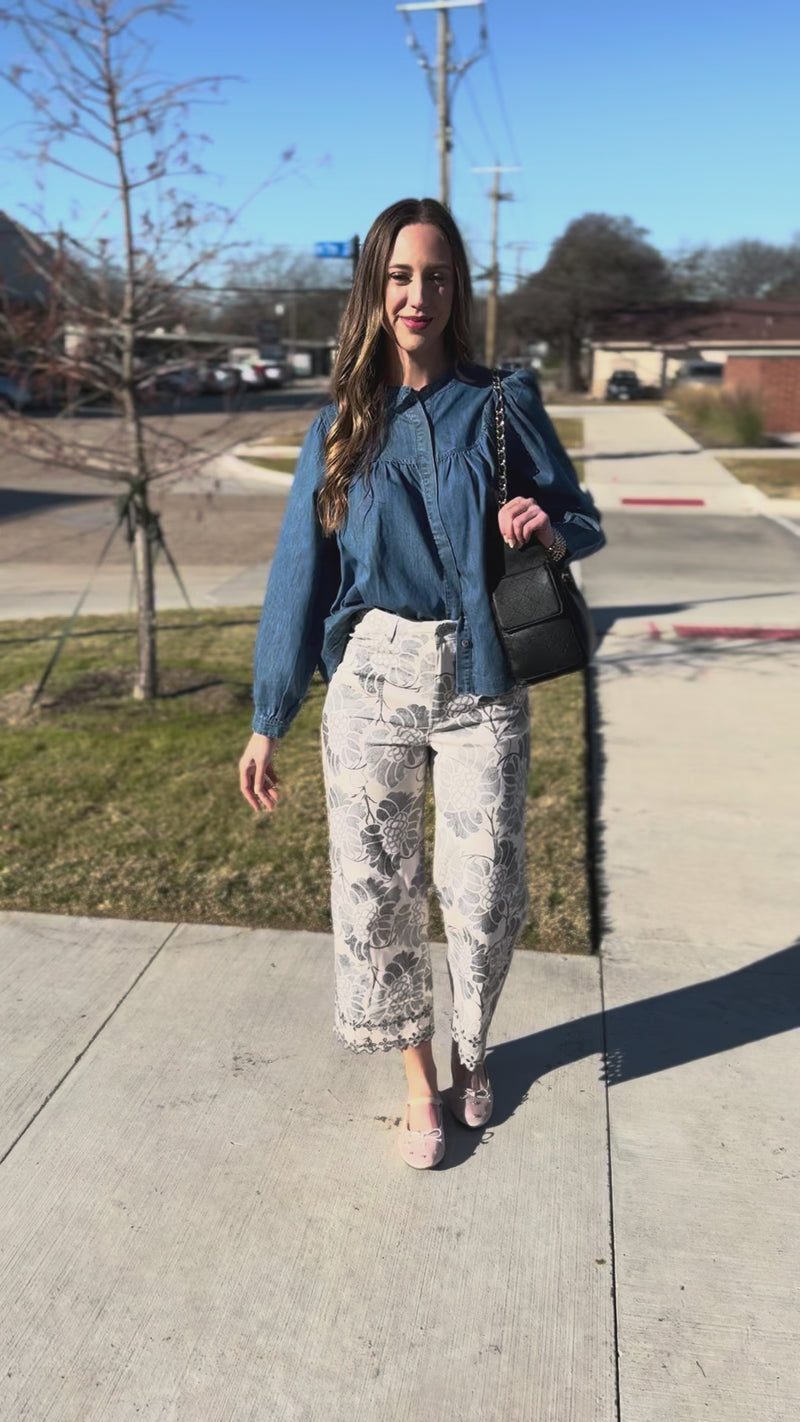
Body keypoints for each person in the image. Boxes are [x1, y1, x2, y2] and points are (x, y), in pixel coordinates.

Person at [239, 197, 604, 1169]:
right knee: (377, 891)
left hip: (480, 673)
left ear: (457, 288)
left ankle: (473, 1050)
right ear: (372, 286)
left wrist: (544, 526)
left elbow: (581, 517)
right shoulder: (338, 426)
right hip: (372, 679)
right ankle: (415, 1081)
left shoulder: (500, 400)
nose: (416, 294)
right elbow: (297, 580)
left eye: (435, 275)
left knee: (483, 891)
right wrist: (267, 717)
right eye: (398, 276)